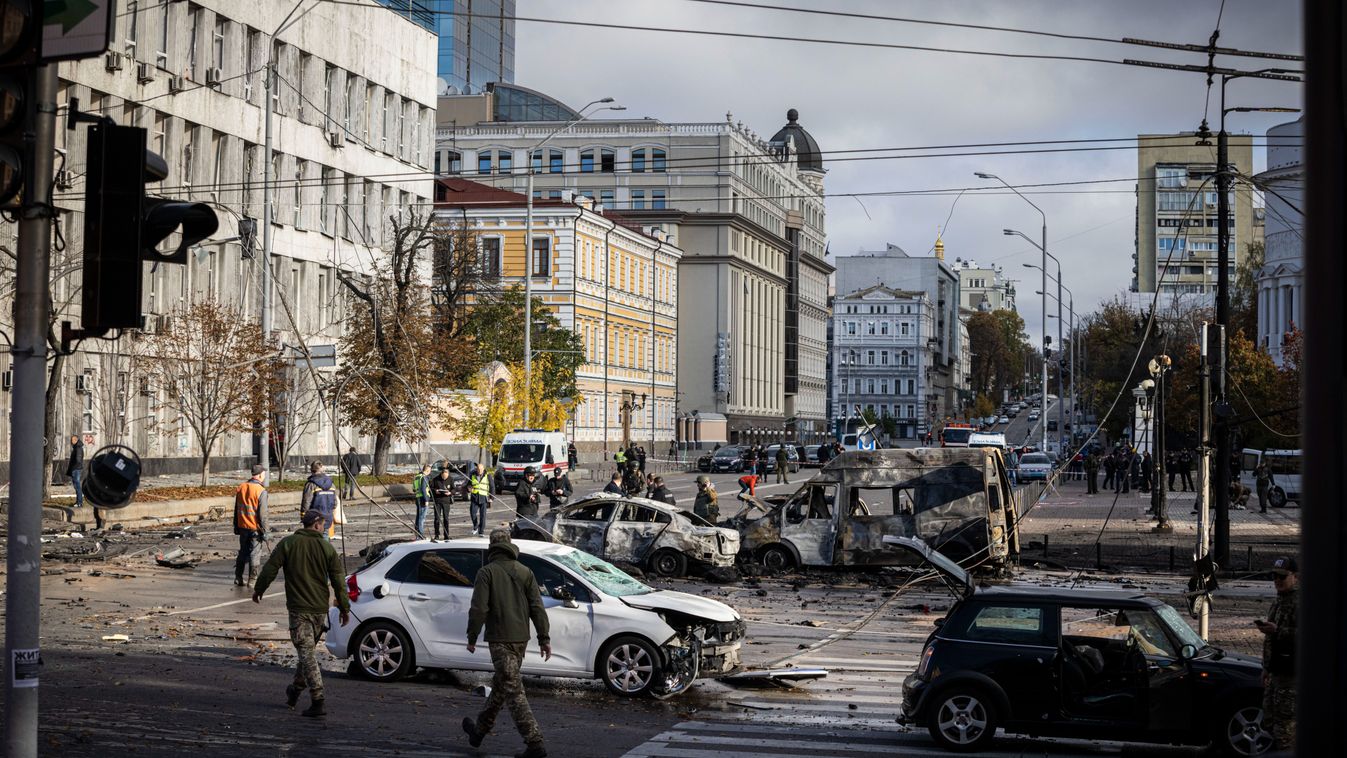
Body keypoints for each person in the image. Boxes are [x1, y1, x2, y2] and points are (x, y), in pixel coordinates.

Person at [252, 509, 350, 718]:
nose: (324, 528)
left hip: (299, 609)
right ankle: (295, 690)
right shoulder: (327, 548)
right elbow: (339, 582)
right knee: (307, 654)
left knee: (306, 654)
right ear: (315, 525)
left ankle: (318, 698)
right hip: (318, 611)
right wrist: (344, 608)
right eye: (323, 524)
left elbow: (271, 568)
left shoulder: (288, 544)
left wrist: (259, 589)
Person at [461, 529, 550, 758]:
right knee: (502, 686)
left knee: (513, 691)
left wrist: (472, 636)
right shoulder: (525, 572)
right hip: (521, 639)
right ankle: (478, 732)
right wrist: (544, 638)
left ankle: (535, 744)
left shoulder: (486, 572)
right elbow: (537, 608)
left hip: (500, 640)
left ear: (492, 547)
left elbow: (479, 608)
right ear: (509, 545)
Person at [1255, 556, 1297, 752]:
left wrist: (1278, 629)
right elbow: (1271, 641)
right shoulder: (1279, 601)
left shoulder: (1300, 602)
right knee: (1270, 719)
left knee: (1285, 726)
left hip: (1292, 674)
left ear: (1295, 577)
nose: (1277, 581)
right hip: (1276, 672)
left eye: (1282, 576)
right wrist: (1266, 668)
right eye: (1275, 577)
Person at [233, 465, 269, 587]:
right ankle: (252, 580)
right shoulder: (261, 491)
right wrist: (266, 531)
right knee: (255, 553)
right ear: (259, 475)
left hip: (243, 526)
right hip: (255, 528)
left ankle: (238, 577)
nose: (264, 476)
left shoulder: (242, 487)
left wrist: (236, 525)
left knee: (243, 551)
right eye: (264, 474)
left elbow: (236, 509)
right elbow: (263, 514)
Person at [299, 462, 339, 538]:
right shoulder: (331, 484)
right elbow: (335, 503)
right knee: (325, 538)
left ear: (312, 470)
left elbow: (306, 502)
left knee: (313, 542)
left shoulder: (311, 484)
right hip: (327, 517)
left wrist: (303, 516)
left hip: (314, 519)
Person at [429, 467, 455, 539]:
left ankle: (446, 535)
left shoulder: (450, 479)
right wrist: (435, 491)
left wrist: (450, 492)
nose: (444, 478)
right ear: (441, 474)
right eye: (443, 476)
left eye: (446, 477)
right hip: (437, 501)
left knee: (446, 519)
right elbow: (431, 488)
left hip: (446, 501)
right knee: (437, 518)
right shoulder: (435, 479)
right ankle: (437, 535)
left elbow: (454, 489)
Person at [469, 463, 492, 536]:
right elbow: (468, 484)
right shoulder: (472, 474)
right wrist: (469, 488)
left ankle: (481, 531)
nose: (479, 470)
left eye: (480, 469)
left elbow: (492, 486)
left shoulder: (488, 475)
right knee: (473, 513)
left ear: (483, 469)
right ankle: (475, 526)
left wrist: (491, 498)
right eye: (478, 469)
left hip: (483, 497)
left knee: (483, 516)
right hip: (474, 496)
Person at [412, 464, 432, 537]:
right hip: (423, 499)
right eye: (430, 471)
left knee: (418, 516)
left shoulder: (417, 477)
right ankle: (421, 533)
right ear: (427, 470)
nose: (430, 472)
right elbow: (424, 489)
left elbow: (414, 489)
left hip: (417, 498)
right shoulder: (424, 477)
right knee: (422, 517)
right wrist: (426, 500)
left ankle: (417, 531)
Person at [65, 435, 85, 509]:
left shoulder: (78, 448)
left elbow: (78, 460)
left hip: (76, 469)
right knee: (77, 486)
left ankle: (79, 502)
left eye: (72, 440)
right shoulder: (77, 447)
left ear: (76, 440)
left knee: (77, 486)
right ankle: (78, 502)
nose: (71, 441)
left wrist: (73, 468)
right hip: (76, 469)